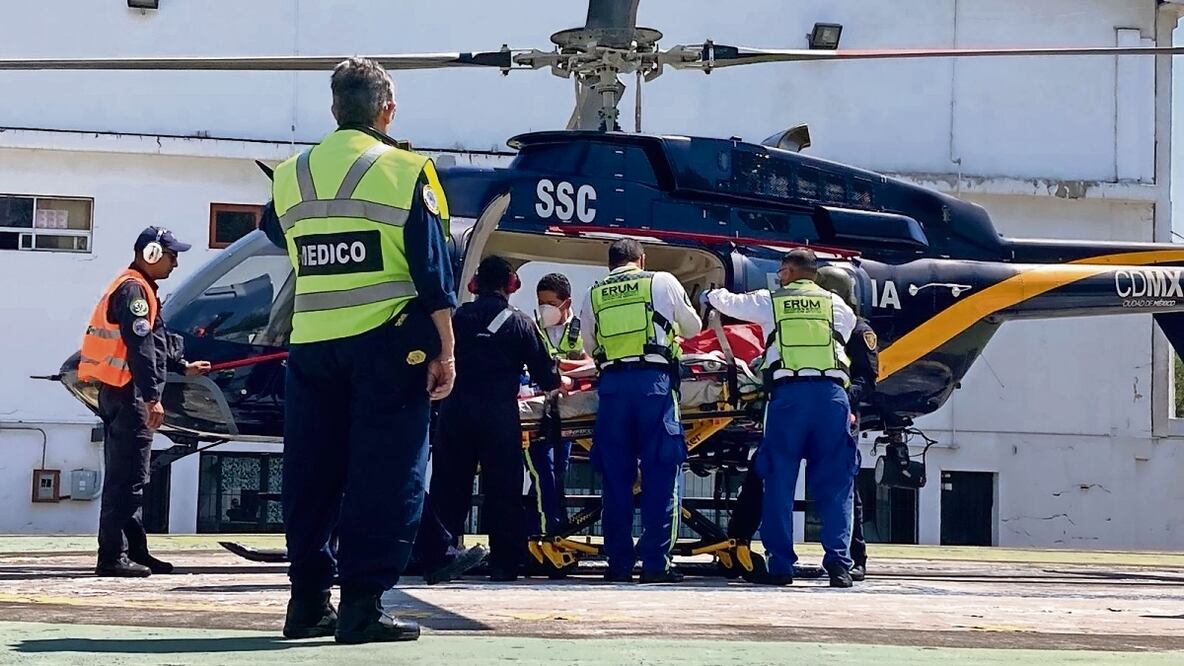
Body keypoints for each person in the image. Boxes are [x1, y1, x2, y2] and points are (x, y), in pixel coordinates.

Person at [273, 57, 456, 644]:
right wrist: (446, 350)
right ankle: (362, 607)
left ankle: (306, 605)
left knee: (311, 476)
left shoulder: (289, 175)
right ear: (387, 110)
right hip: (386, 346)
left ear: (334, 110)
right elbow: (434, 270)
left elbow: (280, 233)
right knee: (385, 475)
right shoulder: (407, 170)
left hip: (311, 346)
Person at [704, 249, 856, 587]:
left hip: (790, 399)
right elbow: (842, 337)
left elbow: (729, 303)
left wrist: (709, 294)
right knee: (836, 483)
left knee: (778, 481)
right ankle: (839, 566)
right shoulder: (837, 306)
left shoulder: (771, 300)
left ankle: (781, 565)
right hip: (832, 398)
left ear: (787, 271)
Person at [79, 226, 210, 578]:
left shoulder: (140, 288)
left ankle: (135, 551)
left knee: (131, 477)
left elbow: (153, 341)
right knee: (127, 479)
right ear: (151, 254)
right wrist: (153, 397)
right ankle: (112, 557)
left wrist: (182, 365)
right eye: (172, 255)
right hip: (129, 393)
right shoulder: (134, 290)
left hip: (119, 392)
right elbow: (139, 348)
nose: (176, 263)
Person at [423, 256, 561, 582]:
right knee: (504, 490)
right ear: (511, 285)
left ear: (474, 285)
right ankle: (505, 563)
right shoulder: (521, 322)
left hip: (455, 412)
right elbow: (547, 375)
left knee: (448, 486)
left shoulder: (456, 319)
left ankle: (442, 557)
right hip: (499, 416)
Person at [579, 239, 702, 583]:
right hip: (655, 386)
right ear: (641, 259)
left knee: (616, 480)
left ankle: (618, 565)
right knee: (662, 474)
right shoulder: (661, 281)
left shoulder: (595, 293)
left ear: (610, 264)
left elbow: (590, 345)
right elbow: (693, 328)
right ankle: (655, 565)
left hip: (614, 389)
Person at [529, 273, 586, 534]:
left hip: (568, 411)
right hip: (538, 411)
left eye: (550, 303)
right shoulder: (533, 328)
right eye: (541, 303)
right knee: (544, 471)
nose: (545, 309)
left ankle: (549, 525)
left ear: (566, 302)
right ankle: (549, 528)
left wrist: (564, 368)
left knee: (559, 471)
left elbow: (592, 364)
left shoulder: (583, 330)